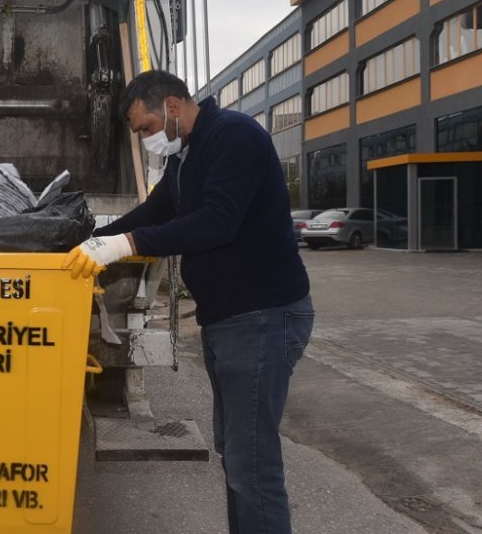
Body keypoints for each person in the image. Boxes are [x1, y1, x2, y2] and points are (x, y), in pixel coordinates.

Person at [63, 70, 313, 534]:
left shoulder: (233, 138)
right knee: (237, 455)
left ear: (173, 107)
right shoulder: (186, 158)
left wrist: (125, 246)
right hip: (232, 320)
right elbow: (154, 212)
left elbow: (217, 222)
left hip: (261, 316)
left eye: (145, 128)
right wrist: (87, 241)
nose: (143, 140)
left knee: (251, 464)